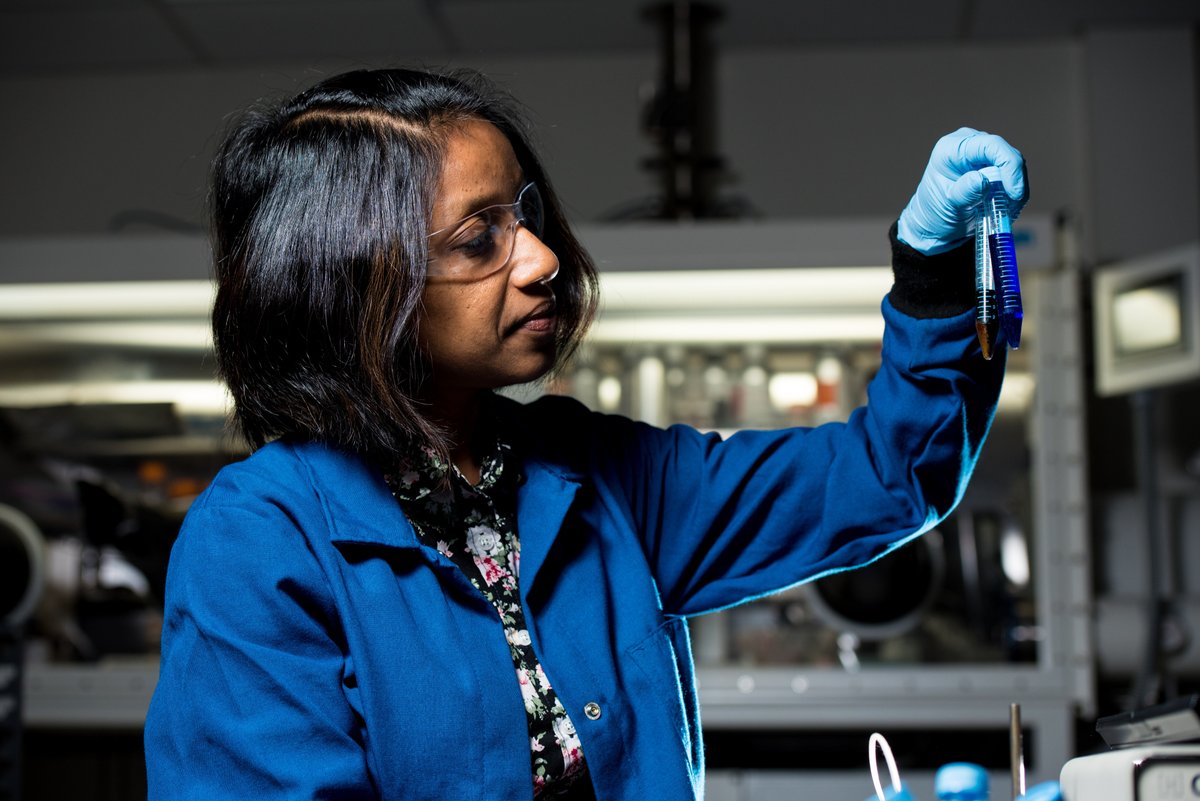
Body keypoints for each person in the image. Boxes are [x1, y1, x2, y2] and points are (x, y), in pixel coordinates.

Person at [144, 67, 1027, 801]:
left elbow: (885, 477)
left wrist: (934, 265)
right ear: (349, 286)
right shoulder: (258, 543)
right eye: (477, 237)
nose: (541, 259)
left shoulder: (598, 475)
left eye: (521, 214)